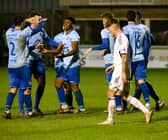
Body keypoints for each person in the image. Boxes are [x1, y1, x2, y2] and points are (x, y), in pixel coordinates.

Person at [98, 18, 153, 125]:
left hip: (120, 71)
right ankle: (146, 112)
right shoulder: (122, 38)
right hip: (121, 69)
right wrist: (114, 65)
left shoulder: (121, 39)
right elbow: (122, 56)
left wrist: (122, 71)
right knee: (125, 95)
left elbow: (124, 56)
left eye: (110, 31)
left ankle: (110, 119)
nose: (110, 33)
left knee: (111, 93)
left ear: (114, 28)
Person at [3, 15, 45, 119]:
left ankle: (7, 110)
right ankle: (30, 112)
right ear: (22, 23)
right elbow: (38, 29)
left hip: (11, 65)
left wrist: (26, 20)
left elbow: (22, 48)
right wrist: (40, 21)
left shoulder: (8, 32)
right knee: (27, 89)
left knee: (13, 88)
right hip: (22, 65)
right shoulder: (22, 33)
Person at [42, 17, 86, 113]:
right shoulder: (60, 36)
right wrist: (46, 51)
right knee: (59, 85)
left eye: (68, 22)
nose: (65, 24)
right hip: (63, 66)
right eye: (64, 22)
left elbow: (74, 50)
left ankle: (82, 108)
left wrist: (64, 55)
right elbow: (57, 50)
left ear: (72, 25)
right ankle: (65, 106)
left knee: (74, 87)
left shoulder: (74, 35)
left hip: (72, 65)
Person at [18, 12, 59, 116]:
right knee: (25, 85)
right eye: (38, 19)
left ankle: (35, 107)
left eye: (40, 19)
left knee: (42, 83)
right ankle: (22, 110)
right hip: (28, 60)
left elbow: (49, 40)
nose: (40, 20)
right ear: (32, 20)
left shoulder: (41, 30)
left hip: (38, 60)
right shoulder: (26, 31)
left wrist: (59, 44)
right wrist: (34, 47)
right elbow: (23, 47)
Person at [85, 12, 124, 113]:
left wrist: (92, 48)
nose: (103, 23)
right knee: (117, 83)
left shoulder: (105, 31)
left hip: (110, 61)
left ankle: (116, 107)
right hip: (118, 59)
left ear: (108, 20)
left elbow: (106, 45)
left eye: (104, 21)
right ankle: (118, 107)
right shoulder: (118, 30)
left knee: (112, 85)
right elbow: (112, 45)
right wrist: (105, 51)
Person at [130, 11, 164, 112]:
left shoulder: (141, 29)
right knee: (139, 82)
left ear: (137, 19)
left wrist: (144, 58)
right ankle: (138, 104)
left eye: (133, 19)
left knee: (140, 81)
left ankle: (156, 100)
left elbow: (148, 43)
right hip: (140, 58)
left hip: (140, 58)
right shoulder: (144, 29)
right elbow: (153, 40)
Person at [122, 10, 151, 110]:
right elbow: (146, 45)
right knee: (141, 81)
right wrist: (145, 59)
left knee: (126, 82)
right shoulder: (142, 29)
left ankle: (124, 106)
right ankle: (147, 103)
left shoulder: (125, 29)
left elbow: (125, 44)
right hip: (141, 58)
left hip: (130, 60)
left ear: (126, 18)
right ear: (135, 18)